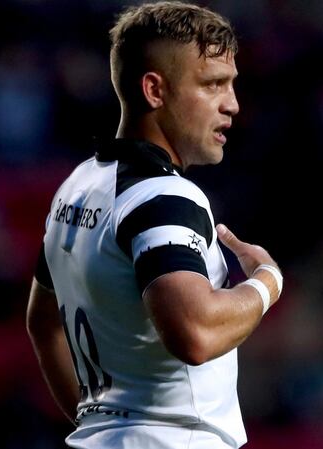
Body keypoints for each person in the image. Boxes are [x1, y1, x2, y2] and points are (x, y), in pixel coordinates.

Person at [26, 2, 283, 448]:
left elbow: (42, 323)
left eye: (231, 84)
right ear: (154, 90)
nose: (232, 104)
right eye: (212, 84)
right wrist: (267, 281)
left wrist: (96, 426)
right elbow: (195, 333)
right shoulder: (164, 197)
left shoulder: (78, 186)